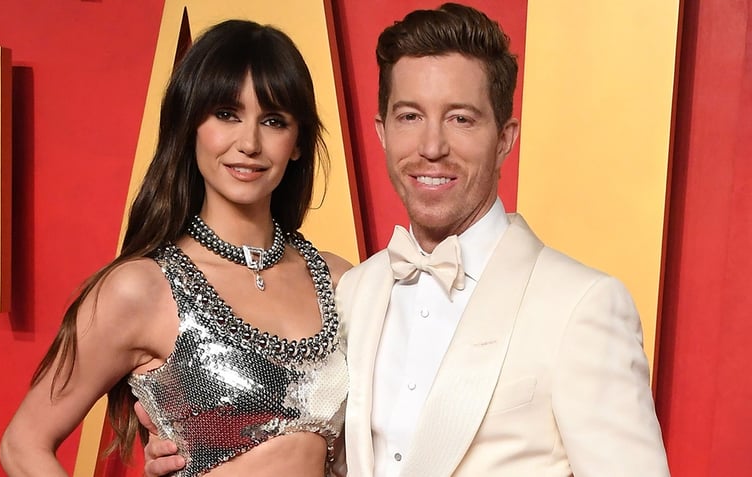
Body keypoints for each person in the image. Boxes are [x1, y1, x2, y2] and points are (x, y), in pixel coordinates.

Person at [143, 3, 670, 476]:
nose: (432, 146)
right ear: (381, 131)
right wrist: (199, 446)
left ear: (505, 139)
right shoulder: (353, 290)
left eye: (461, 119)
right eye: (410, 117)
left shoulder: (583, 305)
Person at [0, 19, 351, 477]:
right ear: (190, 126)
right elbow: (22, 444)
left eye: (273, 120)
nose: (248, 143)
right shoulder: (140, 289)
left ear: (298, 141)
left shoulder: (343, 282)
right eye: (226, 114)